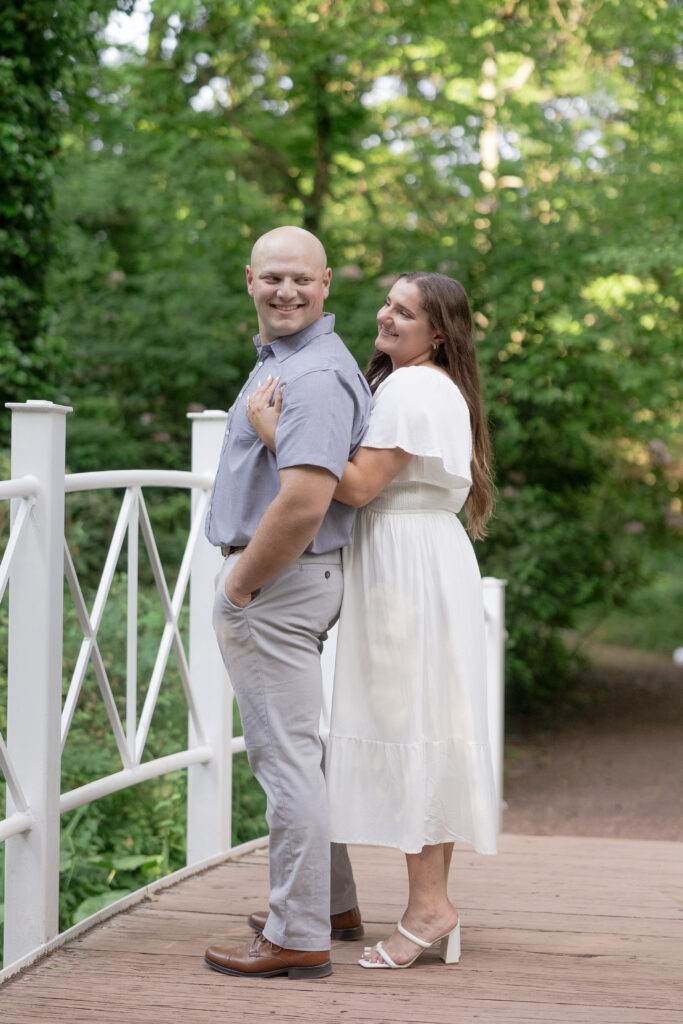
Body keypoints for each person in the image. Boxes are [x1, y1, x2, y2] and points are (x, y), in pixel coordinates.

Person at [247, 271, 499, 971]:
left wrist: (275, 434)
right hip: (417, 557)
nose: (386, 315)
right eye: (388, 302)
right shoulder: (426, 385)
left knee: (409, 725)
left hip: (403, 568)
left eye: (405, 311)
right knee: (422, 724)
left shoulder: (413, 389)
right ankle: (430, 905)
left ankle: (429, 908)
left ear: (437, 333)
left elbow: (355, 486)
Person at [203, 225, 371, 980]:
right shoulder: (290, 363)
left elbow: (304, 503)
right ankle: (327, 908)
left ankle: (295, 933)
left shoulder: (309, 375)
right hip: (288, 584)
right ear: (249, 280)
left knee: (285, 762)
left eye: (300, 279)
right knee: (301, 753)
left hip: (276, 584)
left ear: (325, 282)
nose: (286, 291)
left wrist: (240, 586)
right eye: (272, 278)